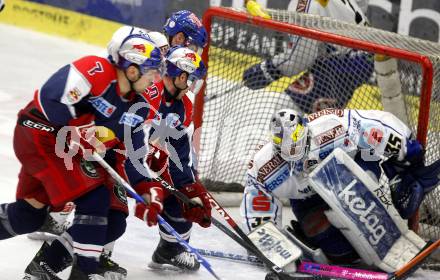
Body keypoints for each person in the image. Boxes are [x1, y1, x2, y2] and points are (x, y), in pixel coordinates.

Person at [0, 28, 162, 280]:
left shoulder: (135, 105)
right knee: (94, 198)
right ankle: (84, 273)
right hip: (39, 136)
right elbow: (48, 99)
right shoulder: (95, 69)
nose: (155, 79)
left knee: (28, 216)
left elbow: (131, 152)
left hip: (64, 150)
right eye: (152, 72)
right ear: (132, 70)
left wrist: (145, 187)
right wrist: (81, 130)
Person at [240, 108, 439, 268]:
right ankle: (326, 241)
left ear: (306, 129)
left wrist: (404, 149)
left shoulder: (332, 126)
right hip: (309, 196)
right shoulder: (262, 168)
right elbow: (260, 217)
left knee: (352, 192)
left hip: (351, 170)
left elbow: (374, 123)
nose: (294, 154)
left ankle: (384, 225)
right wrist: (271, 249)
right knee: (339, 252)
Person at [133, 45, 211, 272]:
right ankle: (77, 254)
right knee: (105, 208)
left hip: (141, 163)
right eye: (191, 79)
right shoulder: (148, 92)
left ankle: (170, 249)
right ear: (181, 75)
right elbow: (128, 139)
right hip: (114, 158)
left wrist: (190, 189)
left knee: (183, 195)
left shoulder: (184, 106)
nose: (192, 86)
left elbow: (177, 153)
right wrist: (145, 177)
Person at [243, 0, 374, 114]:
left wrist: (266, 70)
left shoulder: (304, 5)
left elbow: (299, 60)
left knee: (286, 107)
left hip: (344, 65)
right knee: (322, 119)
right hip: (361, 57)